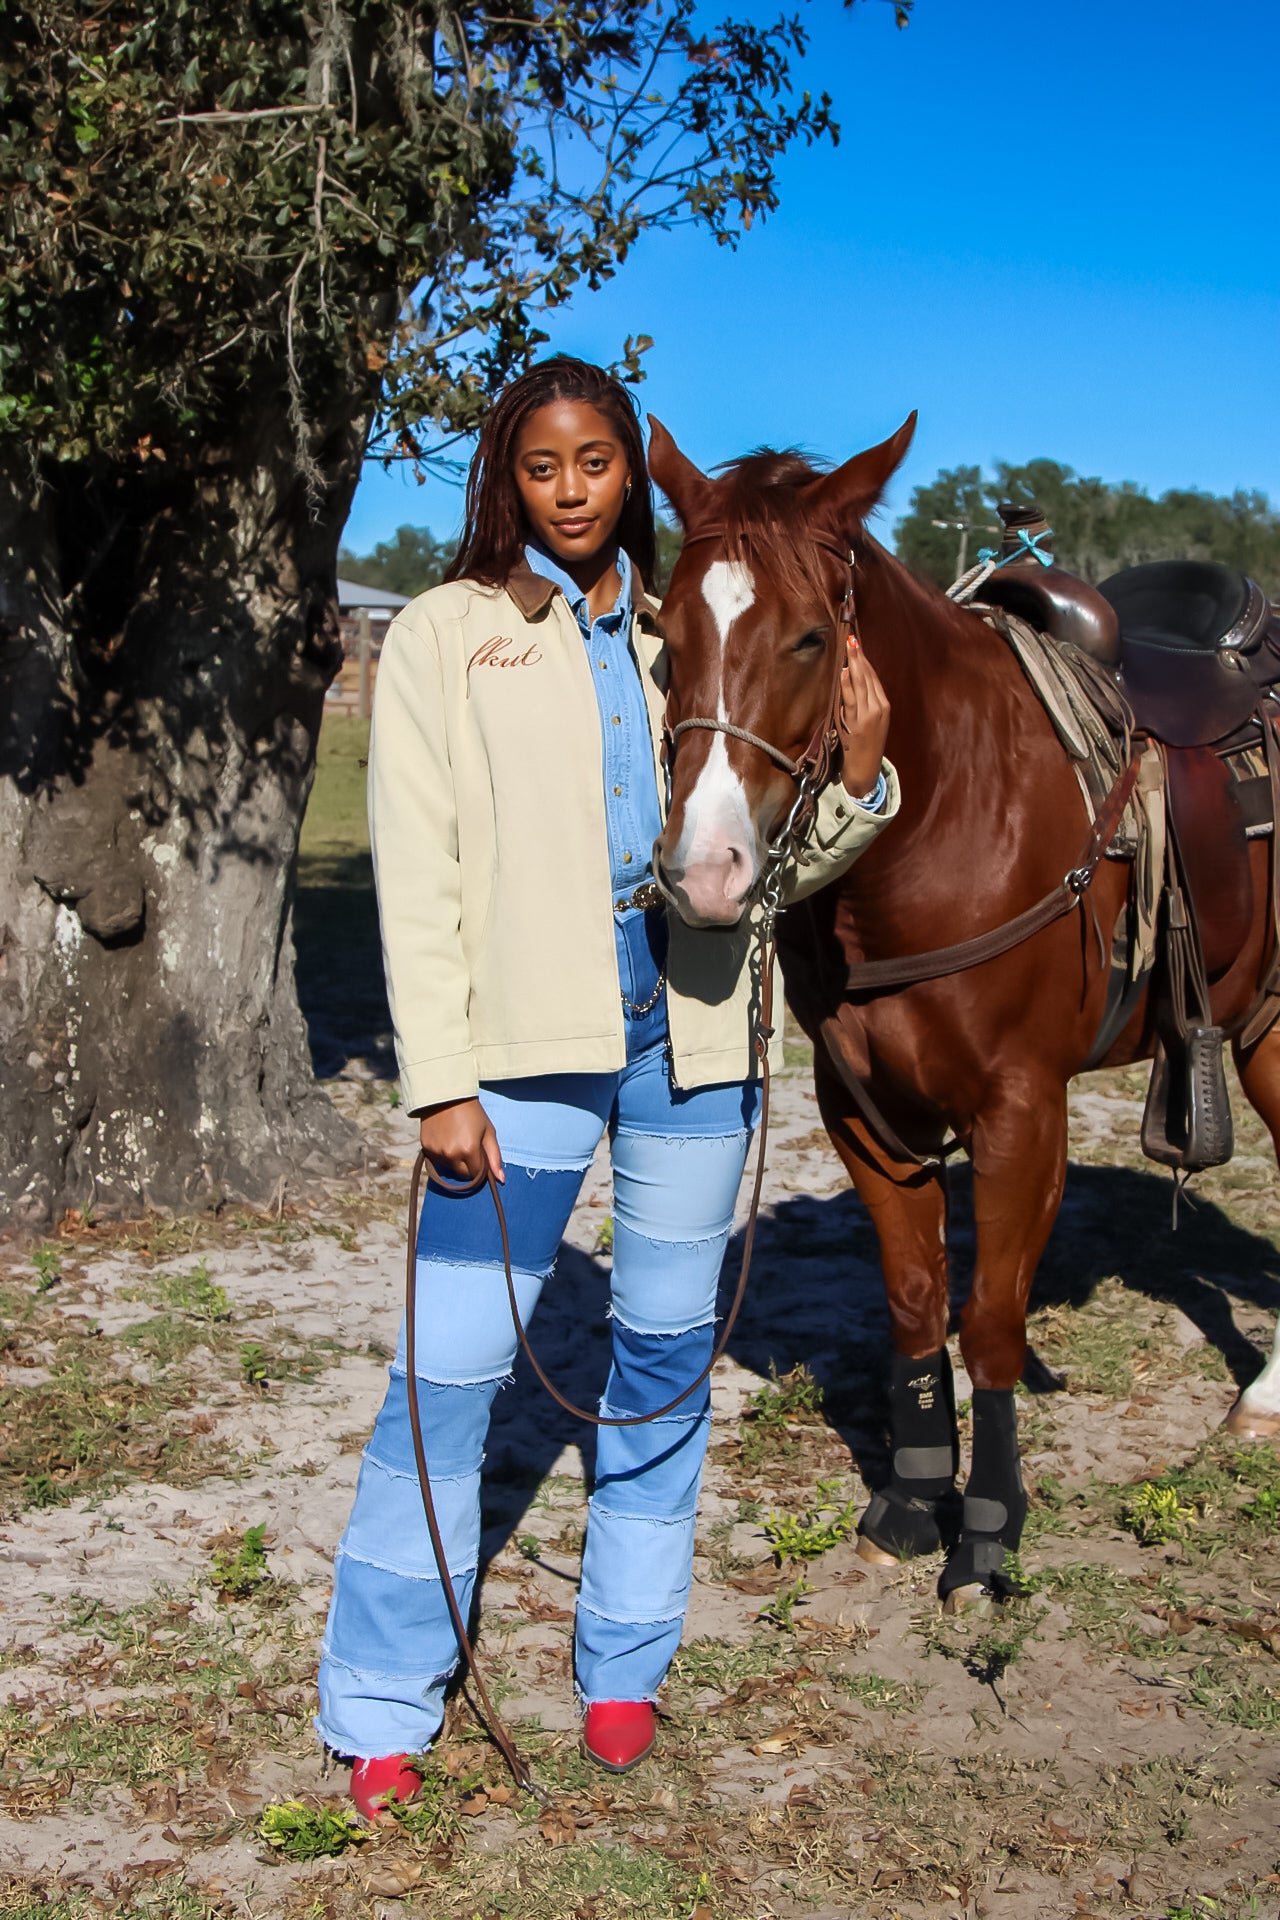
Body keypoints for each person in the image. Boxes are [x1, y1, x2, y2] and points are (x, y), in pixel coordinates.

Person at [315, 355, 899, 1814]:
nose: (573, 491)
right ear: (506, 480)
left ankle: (625, 1668)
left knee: (656, 1371)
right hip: (519, 1064)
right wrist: (439, 1082)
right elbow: (420, 872)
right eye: (542, 465)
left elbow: (745, 889)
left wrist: (862, 787)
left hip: (692, 1056)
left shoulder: (681, 628)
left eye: (595, 463)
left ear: (631, 474)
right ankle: (383, 1695)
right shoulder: (450, 635)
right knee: (448, 1377)